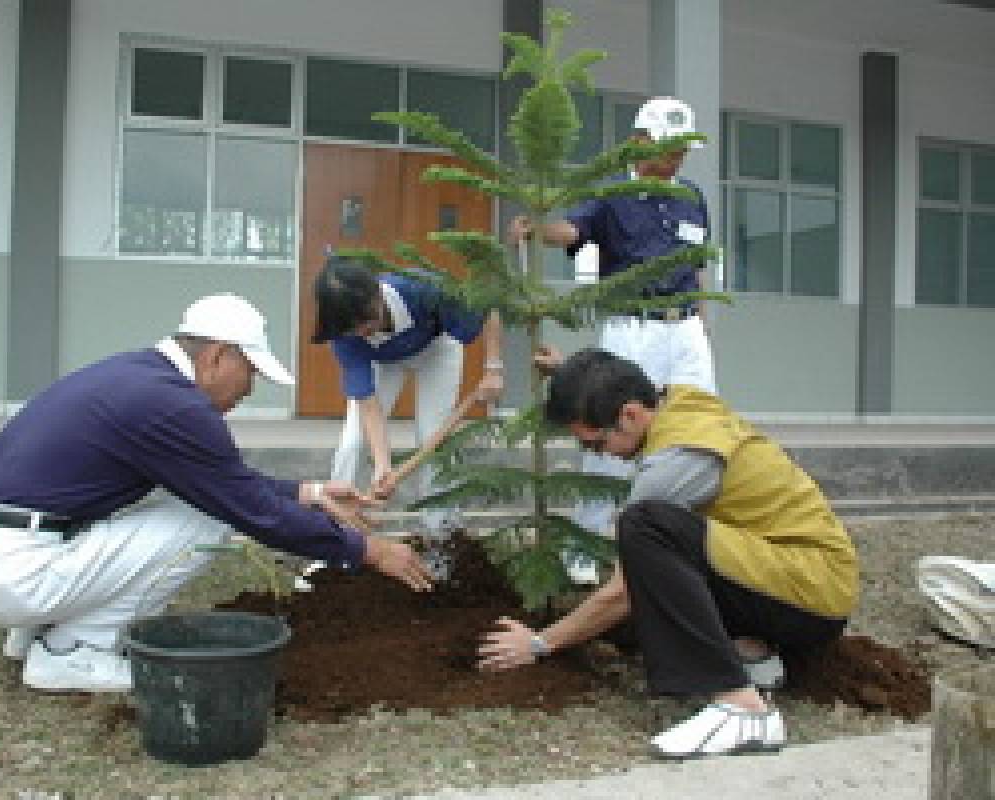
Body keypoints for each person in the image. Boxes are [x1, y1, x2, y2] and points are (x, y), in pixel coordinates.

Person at [0, 294, 432, 693]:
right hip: (11, 570)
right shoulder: (174, 408)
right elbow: (246, 510)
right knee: (205, 519)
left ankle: (36, 631)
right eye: (251, 372)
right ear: (218, 355)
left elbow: (218, 480)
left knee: (193, 505)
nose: (250, 389)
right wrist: (369, 549)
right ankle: (75, 652)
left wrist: (312, 491)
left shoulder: (138, 376)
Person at [477, 348, 858, 759]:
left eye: (596, 441)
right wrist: (569, 370)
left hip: (810, 596)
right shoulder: (677, 403)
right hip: (806, 583)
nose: (596, 453)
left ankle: (743, 708)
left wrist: (539, 644)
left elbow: (622, 593)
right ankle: (753, 654)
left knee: (645, 530)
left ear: (630, 415)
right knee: (660, 566)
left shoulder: (676, 461)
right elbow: (619, 380)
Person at [508, 96, 716, 579]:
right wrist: (537, 227)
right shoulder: (611, 195)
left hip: (684, 329)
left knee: (698, 429)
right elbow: (572, 230)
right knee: (611, 435)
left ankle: (684, 547)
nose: (676, 159)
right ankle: (582, 556)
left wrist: (702, 330)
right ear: (638, 142)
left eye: (683, 151)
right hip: (631, 331)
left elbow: (697, 270)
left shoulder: (693, 196)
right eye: (668, 149)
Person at [312, 255, 504, 540]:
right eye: (354, 328)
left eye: (367, 320)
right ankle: (335, 533)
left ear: (377, 292)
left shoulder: (422, 288)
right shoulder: (345, 335)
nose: (362, 331)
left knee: (430, 440)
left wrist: (493, 369)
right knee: (352, 442)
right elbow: (367, 403)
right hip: (383, 360)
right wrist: (382, 464)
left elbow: (488, 308)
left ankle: (440, 535)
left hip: (436, 350)